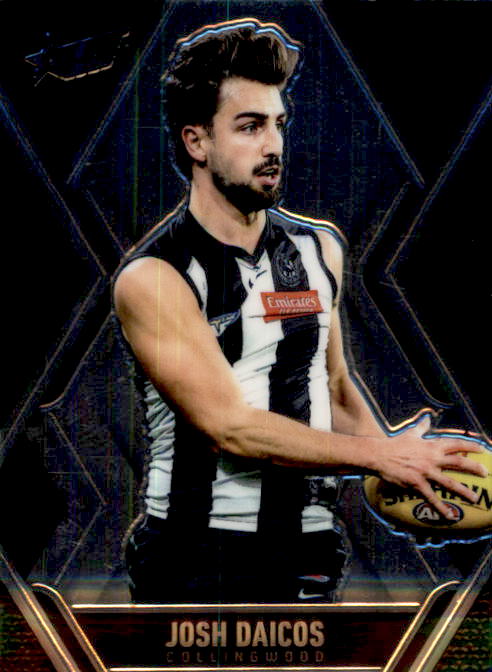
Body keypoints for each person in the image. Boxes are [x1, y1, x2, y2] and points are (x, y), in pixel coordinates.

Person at [112, 18, 485, 604]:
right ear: (196, 142)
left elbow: (334, 389)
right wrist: (380, 454)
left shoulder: (318, 249)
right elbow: (228, 426)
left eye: (278, 124)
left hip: (310, 546)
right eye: (250, 126)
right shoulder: (154, 277)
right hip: (196, 553)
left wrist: (408, 473)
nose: (274, 146)